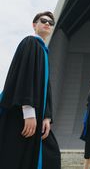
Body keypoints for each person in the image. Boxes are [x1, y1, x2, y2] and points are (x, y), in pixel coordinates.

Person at [0, 11, 61, 169]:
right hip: (23, 113)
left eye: (50, 23)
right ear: (35, 25)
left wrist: (47, 116)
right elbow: (25, 76)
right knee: (16, 156)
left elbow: (46, 87)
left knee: (47, 155)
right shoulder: (30, 43)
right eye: (43, 20)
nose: (47, 23)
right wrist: (28, 112)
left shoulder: (43, 51)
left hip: (38, 115)